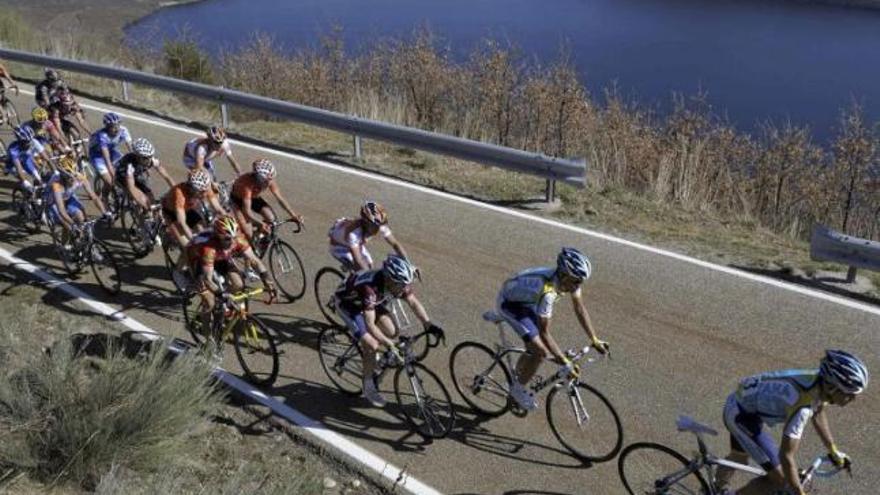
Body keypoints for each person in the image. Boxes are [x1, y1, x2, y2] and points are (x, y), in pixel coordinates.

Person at [713, 350, 868, 495]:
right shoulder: (803, 406)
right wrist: (798, 491)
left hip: (742, 403)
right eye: (850, 394)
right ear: (832, 387)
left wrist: (833, 450)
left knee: (739, 456)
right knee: (780, 479)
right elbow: (786, 455)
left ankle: (714, 489)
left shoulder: (818, 382)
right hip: (741, 416)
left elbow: (819, 412)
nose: (853, 399)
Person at [495, 247, 609, 411]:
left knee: (537, 349)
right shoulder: (548, 292)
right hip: (509, 304)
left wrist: (594, 339)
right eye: (576, 281)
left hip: (527, 302)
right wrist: (564, 361)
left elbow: (579, 309)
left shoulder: (567, 281)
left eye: (580, 282)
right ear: (563, 275)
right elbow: (544, 333)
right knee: (540, 352)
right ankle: (516, 390)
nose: (578, 285)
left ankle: (516, 376)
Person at [334, 255, 443, 407]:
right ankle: (368, 386)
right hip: (349, 305)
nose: (403, 288)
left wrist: (428, 324)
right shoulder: (369, 289)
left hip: (371, 304)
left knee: (392, 331)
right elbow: (370, 324)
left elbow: (413, 302)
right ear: (389, 279)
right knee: (372, 345)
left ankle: (373, 360)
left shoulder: (396, 281)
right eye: (400, 285)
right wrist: (388, 344)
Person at [184, 215, 276, 344]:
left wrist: (268, 282)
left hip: (220, 257)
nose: (231, 242)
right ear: (218, 236)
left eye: (233, 238)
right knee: (210, 302)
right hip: (198, 259)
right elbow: (207, 279)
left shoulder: (237, 239)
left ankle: (223, 307)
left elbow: (255, 260)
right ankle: (208, 340)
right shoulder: (209, 248)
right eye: (227, 239)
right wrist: (221, 294)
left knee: (238, 284)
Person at [229, 158, 304, 241]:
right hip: (238, 201)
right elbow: (247, 212)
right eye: (266, 181)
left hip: (253, 198)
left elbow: (280, 199)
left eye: (270, 180)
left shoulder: (268, 180)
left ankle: (259, 240)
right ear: (259, 178)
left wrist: (293, 215)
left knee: (272, 220)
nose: (268, 183)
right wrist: (260, 224)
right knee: (248, 233)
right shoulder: (247, 185)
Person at [327, 201, 411, 273]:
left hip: (354, 243)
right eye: (375, 226)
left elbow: (395, 244)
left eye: (380, 226)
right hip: (339, 247)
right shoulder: (354, 234)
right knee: (361, 271)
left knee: (370, 265)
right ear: (366, 223)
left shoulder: (379, 225)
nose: (378, 229)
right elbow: (358, 260)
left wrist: (409, 264)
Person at [44, 155, 109, 246]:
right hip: (53, 202)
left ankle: (79, 244)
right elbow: (61, 210)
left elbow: (94, 197)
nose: (73, 179)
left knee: (81, 217)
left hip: (68, 197)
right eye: (69, 177)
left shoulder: (79, 177)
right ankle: (65, 248)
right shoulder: (57, 185)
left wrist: (105, 213)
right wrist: (72, 224)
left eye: (74, 175)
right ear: (63, 176)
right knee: (67, 225)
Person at [161, 169, 227, 249]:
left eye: (205, 191)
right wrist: (194, 241)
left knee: (202, 230)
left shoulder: (204, 188)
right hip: (171, 214)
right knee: (188, 247)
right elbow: (182, 223)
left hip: (188, 210)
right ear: (192, 189)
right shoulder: (179, 195)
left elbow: (218, 209)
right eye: (201, 192)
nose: (204, 194)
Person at [114, 138, 175, 210]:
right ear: (138, 157)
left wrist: (176, 190)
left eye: (150, 156)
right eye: (146, 158)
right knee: (140, 199)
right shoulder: (129, 165)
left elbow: (166, 176)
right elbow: (131, 187)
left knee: (150, 196)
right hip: (123, 176)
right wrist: (145, 204)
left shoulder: (151, 159)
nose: (149, 160)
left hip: (136, 174)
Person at [88, 112, 133, 206]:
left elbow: (131, 149)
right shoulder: (102, 136)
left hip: (112, 151)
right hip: (97, 156)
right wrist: (111, 171)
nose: (116, 128)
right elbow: (106, 158)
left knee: (125, 168)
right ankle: (104, 197)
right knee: (110, 182)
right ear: (107, 127)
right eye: (113, 126)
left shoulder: (123, 130)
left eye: (118, 125)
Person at [4, 125, 51, 193]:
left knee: (39, 179)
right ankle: (26, 193)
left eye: (30, 141)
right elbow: (18, 167)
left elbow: (46, 157)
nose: (29, 144)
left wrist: (45, 168)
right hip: (13, 164)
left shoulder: (33, 141)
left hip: (26, 160)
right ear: (21, 141)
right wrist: (26, 182)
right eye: (26, 142)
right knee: (26, 180)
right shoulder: (13, 150)